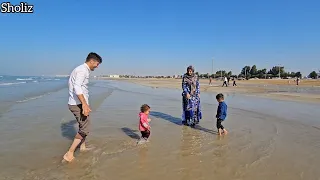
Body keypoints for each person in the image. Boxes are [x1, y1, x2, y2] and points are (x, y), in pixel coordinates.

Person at [63, 52, 102, 162]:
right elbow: (77, 87)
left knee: (83, 125)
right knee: (85, 128)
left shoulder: (82, 70)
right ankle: (69, 154)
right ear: (92, 61)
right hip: (78, 104)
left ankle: (83, 147)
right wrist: (84, 105)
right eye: (97, 64)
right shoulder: (82, 70)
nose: (97, 66)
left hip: (78, 103)